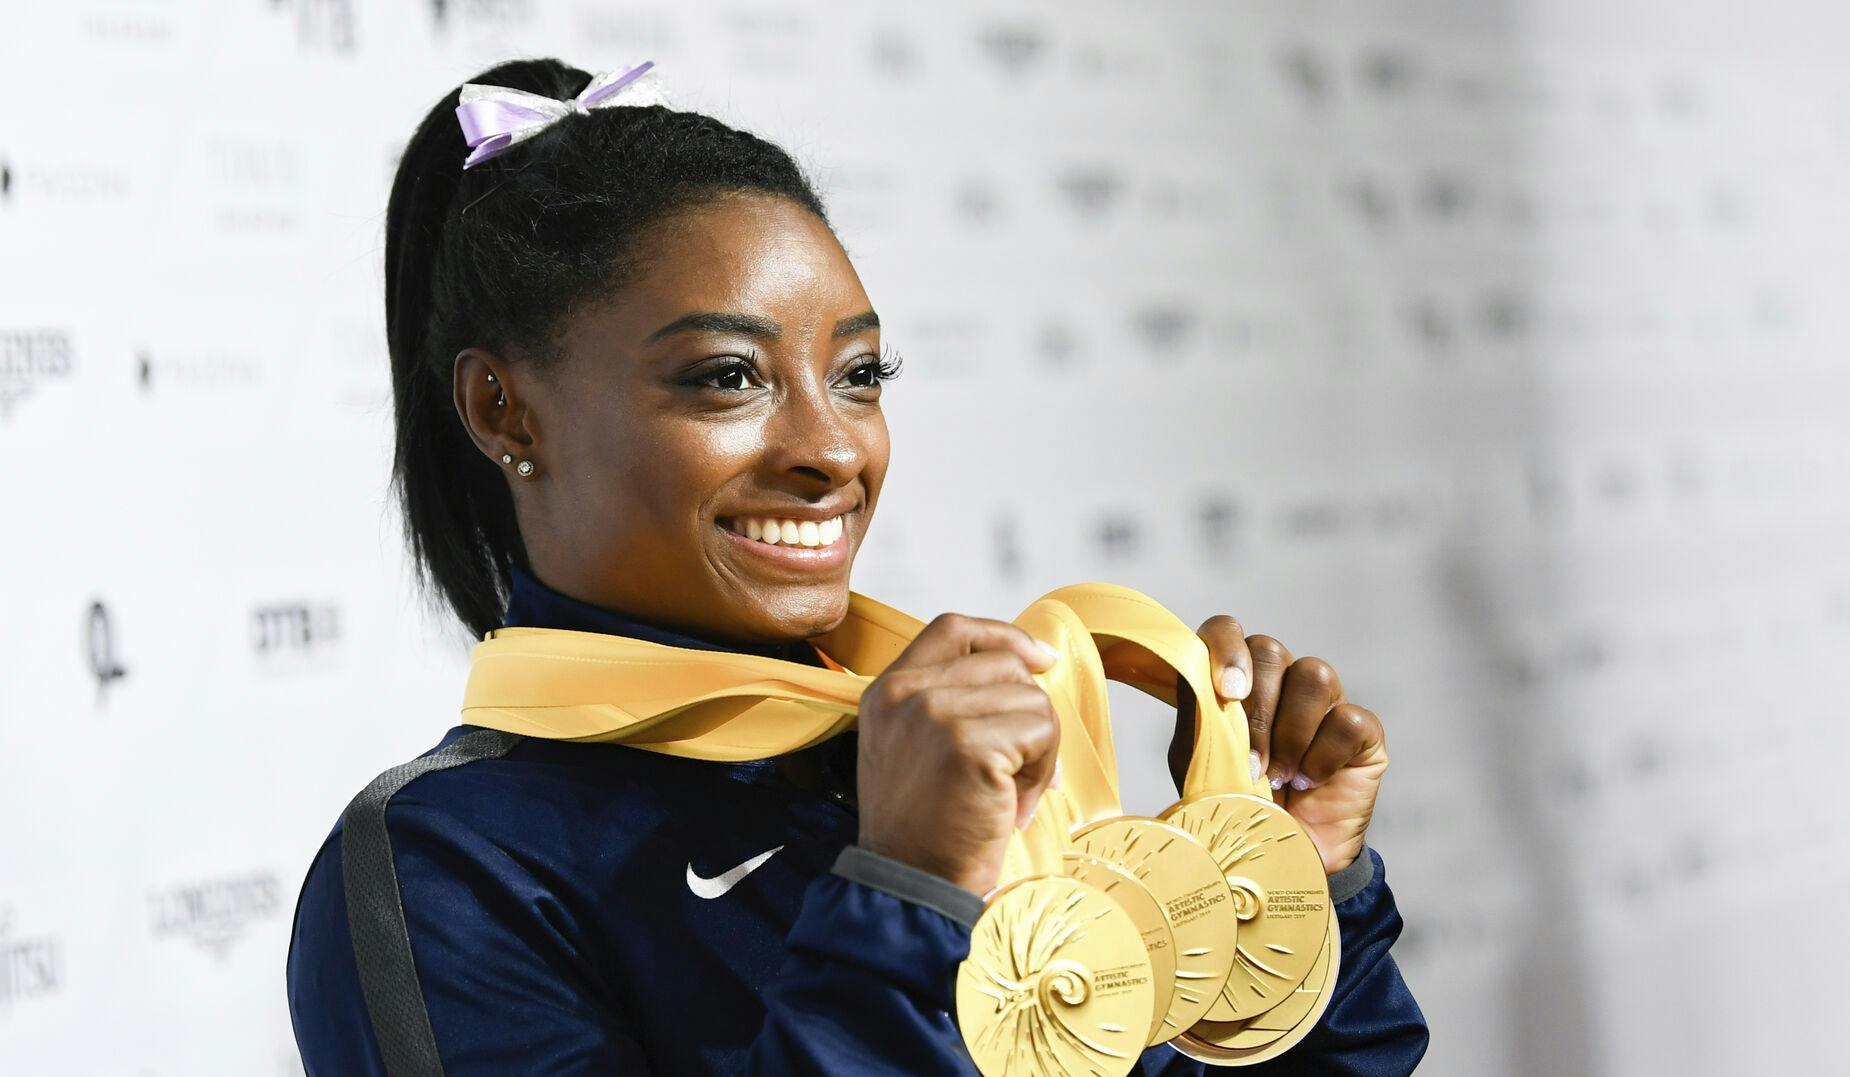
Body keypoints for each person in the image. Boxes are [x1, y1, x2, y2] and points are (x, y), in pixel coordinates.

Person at [285, 57, 1430, 1076]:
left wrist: (1294, 889)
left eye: (862, 376)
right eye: (728, 377)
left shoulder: (942, 758)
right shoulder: (442, 865)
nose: (832, 448)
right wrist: (909, 897)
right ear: (506, 411)